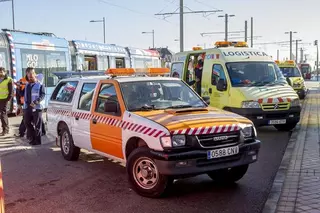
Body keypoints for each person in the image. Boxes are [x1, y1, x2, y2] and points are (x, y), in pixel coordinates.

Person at [22, 67, 45, 145]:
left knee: (37, 125)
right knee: (27, 123)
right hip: (27, 108)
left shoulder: (40, 84)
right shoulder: (27, 85)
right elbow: (24, 95)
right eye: (29, 74)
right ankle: (32, 138)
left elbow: (42, 95)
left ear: (35, 74)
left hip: (37, 108)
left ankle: (37, 141)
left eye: (32, 74)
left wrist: (36, 102)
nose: (30, 75)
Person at [0, 67, 13, 136]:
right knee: (3, 115)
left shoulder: (9, 80)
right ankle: (6, 129)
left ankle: (5, 130)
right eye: (0, 72)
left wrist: (8, 99)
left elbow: (11, 92)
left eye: (2, 72)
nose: (0, 73)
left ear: (5, 72)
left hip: (4, 99)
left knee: (2, 114)